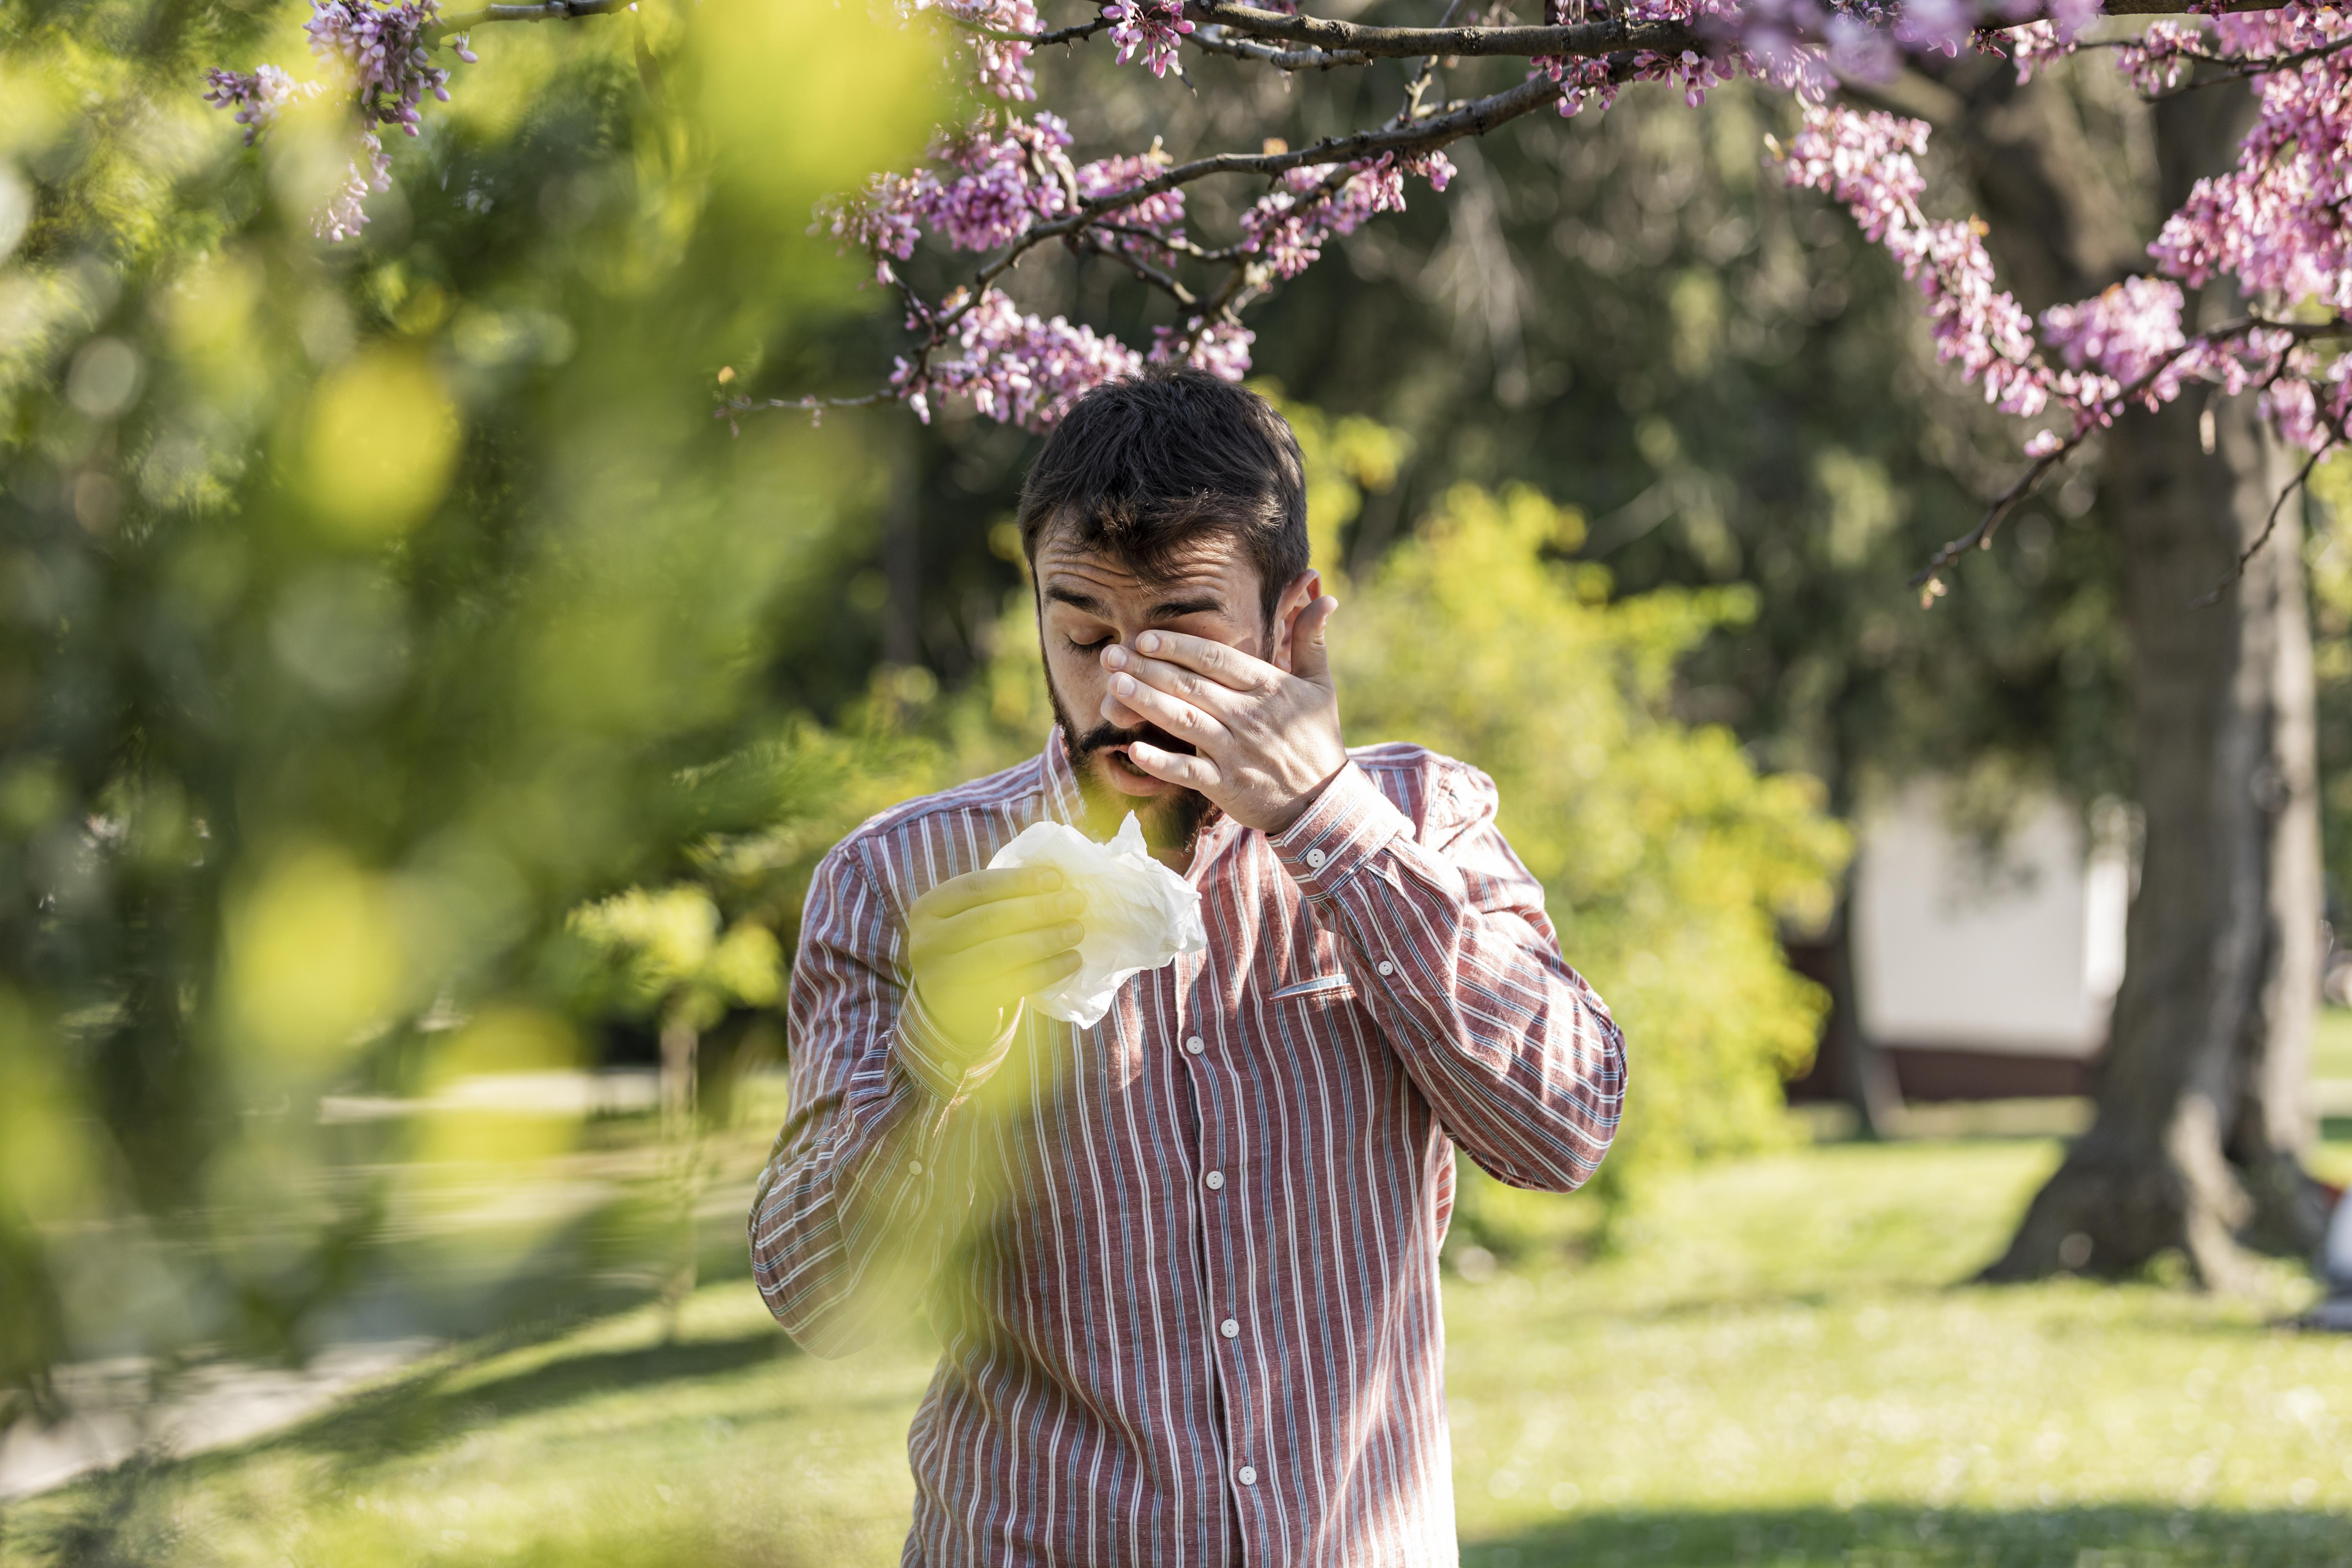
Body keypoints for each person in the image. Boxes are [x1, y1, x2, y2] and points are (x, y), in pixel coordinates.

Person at [749, 368, 1626, 1567]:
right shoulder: (898, 881)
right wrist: (937, 1054)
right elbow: (818, 1300)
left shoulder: (1422, 816)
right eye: (1082, 635)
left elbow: (1563, 1130)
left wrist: (1329, 820)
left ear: (1292, 624)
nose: (1123, 689)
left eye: (1177, 639)